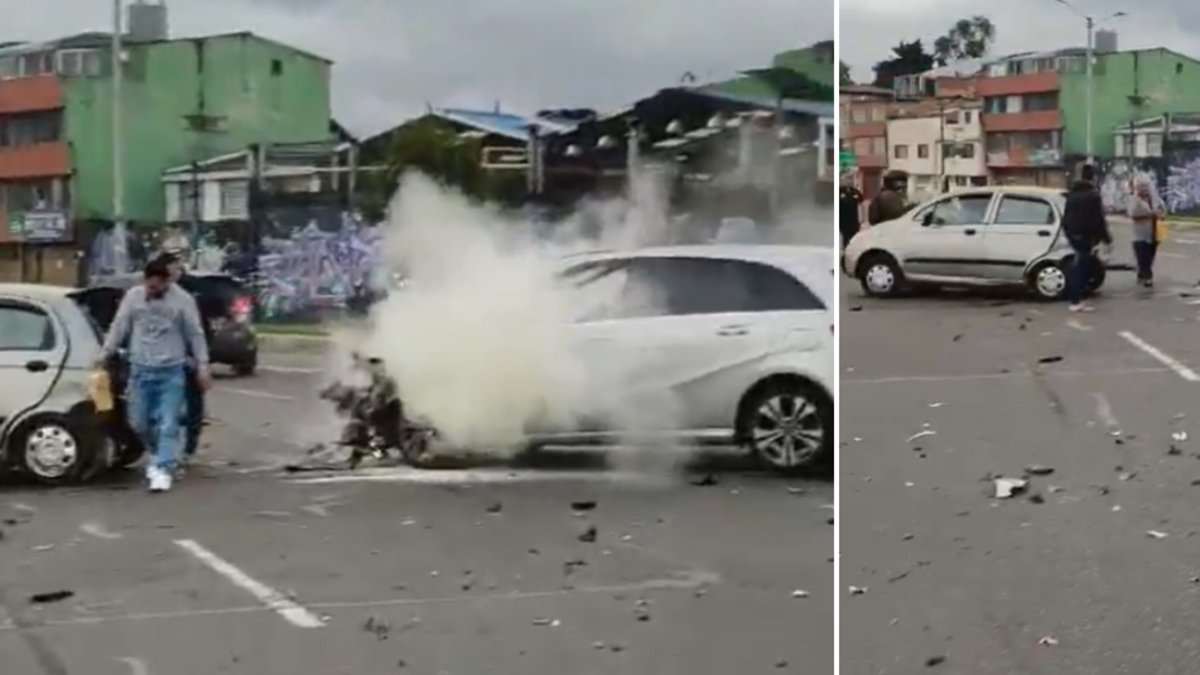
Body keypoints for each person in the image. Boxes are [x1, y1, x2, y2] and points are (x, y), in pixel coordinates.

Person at [99, 258, 211, 492]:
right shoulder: (133, 297)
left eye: (159, 287)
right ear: (144, 281)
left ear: (167, 282)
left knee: (168, 423)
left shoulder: (183, 301)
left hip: (171, 371)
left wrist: (202, 365)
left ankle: (163, 469)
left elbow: (195, 334)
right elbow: (119, 326)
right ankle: (158, 454)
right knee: (138, 422)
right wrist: (106, 352)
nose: (154, 291)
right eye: (150, 287)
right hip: (140, 370)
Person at [1061, 164, 1112, 312]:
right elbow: (1098, 220)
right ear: (1093, 177)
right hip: (1085, 236)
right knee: (1081, 268)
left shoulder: (1072, 194)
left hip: (1073, 235)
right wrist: (1106, 239)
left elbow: (1066, 217)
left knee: (1080, 265)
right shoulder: (1093, 196)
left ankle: (1076, 299)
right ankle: (1075, 301)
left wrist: (1069, 233)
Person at [1128, 178, 1166, 288]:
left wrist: (1159, 214)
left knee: (1149, 256)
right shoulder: (1134, 199)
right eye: (1141, 186)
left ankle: (1142, 274)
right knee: (1142, 255)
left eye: (1145, 186)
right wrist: (1149, 215)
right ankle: (1148, 277)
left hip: (1154, 232)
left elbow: (1162, 211)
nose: (1143, 189)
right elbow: (1133, 214)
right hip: (1139, 234)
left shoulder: (1155, 200)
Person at [839, 177, 864, 248]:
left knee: (854, 236)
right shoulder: (840, 191)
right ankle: (845, 248)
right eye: (846, 180)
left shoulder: (854, 191)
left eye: (850, 180)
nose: (848, 182)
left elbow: (861, 198)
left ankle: (853, 248)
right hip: (843, 218)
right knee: (845, 236)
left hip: (853, 218)